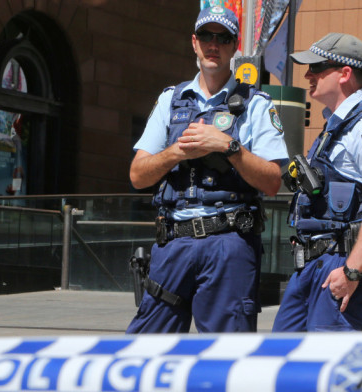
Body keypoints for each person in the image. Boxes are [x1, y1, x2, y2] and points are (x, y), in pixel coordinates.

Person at [126, 6, 289, 333]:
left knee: (226, 357)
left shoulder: (256, 104)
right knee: (144, 350)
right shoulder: (170, 101)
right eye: (206, 36)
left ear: (234, 47)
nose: (213, 45)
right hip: (172, 243)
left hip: (228, 244)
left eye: (223, 38)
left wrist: (227, 146)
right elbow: (138, 175)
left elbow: (273, 182)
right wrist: (176, 151)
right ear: (194, 42)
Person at [272, 33, 362, 332]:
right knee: (280, 360)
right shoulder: (335, 126)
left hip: (339, 265)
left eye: (317, 67)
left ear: (345, 74)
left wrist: (352, 271)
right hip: (312, 265)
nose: (308, 74)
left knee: (326, 370)